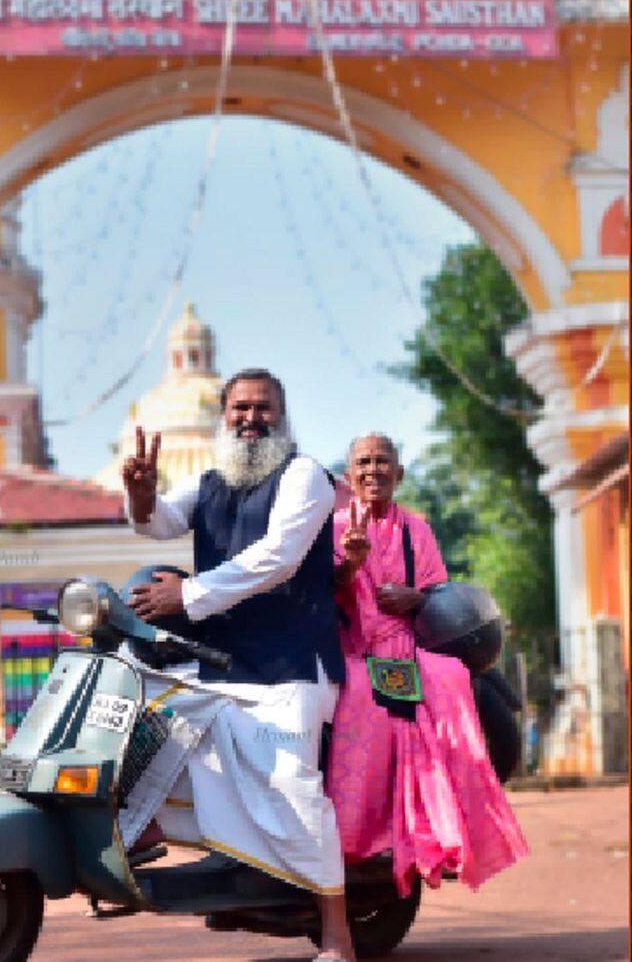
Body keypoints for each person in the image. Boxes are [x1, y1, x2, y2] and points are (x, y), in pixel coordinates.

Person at [122, 368, 354, 962]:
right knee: (143, 717)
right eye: (240, 409)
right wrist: (142, 493)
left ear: (283, 414)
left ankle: (338, 936)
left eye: (264, 408)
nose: (251, 419)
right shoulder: (211, 481)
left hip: (290, 665)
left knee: (293, 788)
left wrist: (190, 595)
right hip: (223, 662)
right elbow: (158, 524)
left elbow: (275, 559)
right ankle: (169, 845)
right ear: (223, 417)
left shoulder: (306, 477)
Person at [327, 433, 528, 898]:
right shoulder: (332, 526)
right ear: (350, 474)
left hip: (409, 643)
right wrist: (352, 564)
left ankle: (446, 826)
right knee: (361, 697)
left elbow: (439, 593)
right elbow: (324, 593)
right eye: (364, 462)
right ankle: (363, 839)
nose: (373, 470)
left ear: (398, 474)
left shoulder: (416, 528)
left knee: (452, 679)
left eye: (383, 462)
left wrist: (412, 598)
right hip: (355, 647)